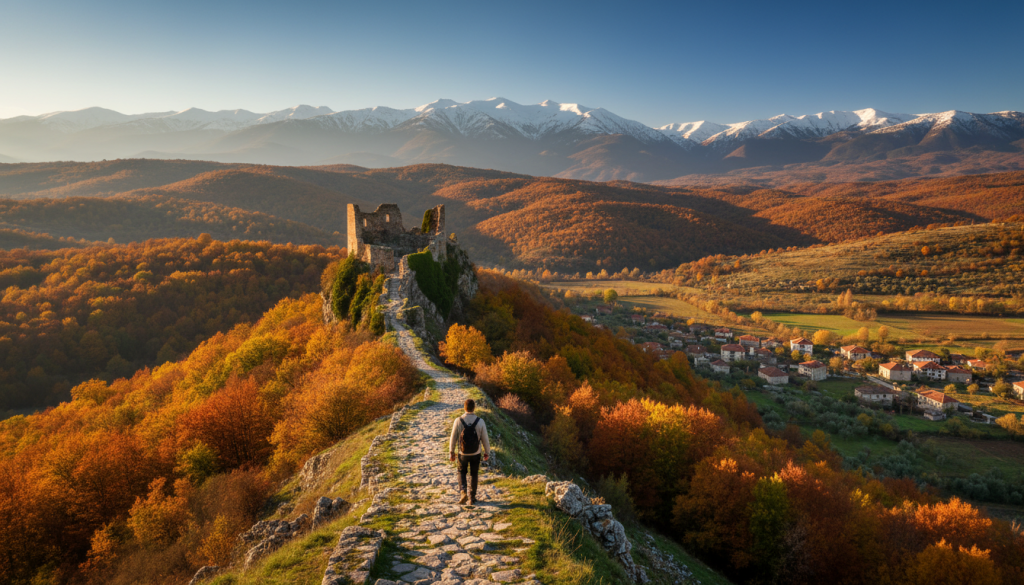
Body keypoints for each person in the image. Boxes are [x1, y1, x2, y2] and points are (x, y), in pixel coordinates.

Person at [449, 398, 491, 505]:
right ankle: (472, 498)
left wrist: (451, 452)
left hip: (462, 453)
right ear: (474, 408)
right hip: (476, 453)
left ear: (464, 407)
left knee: (461, 471)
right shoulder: (480, 421)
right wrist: (487, 452)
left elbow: (453, 438)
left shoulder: (458, 421)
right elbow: (485, 439)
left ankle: (463, 491)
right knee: (474, 473)